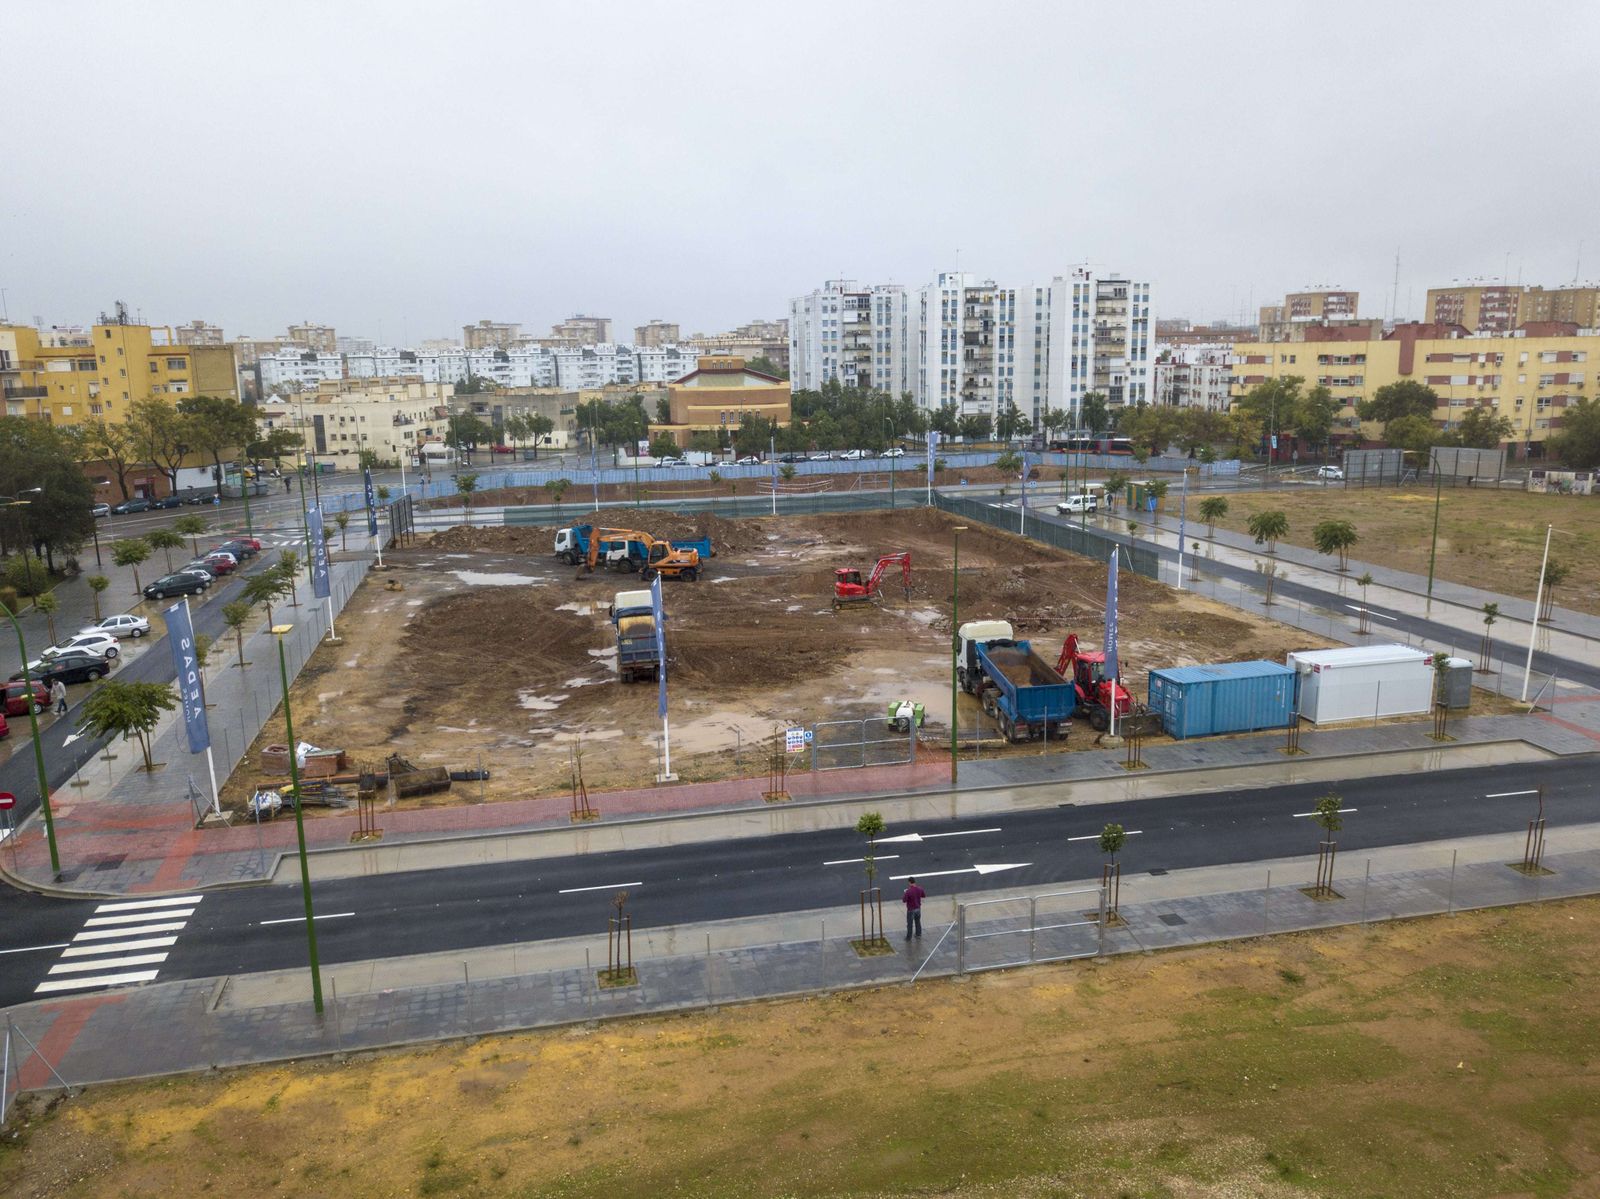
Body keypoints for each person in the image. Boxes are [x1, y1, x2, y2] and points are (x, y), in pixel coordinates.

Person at [902, 876, 925, 941]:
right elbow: (923, 895)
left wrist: (905, 893)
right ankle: (918, 934)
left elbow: (904, 900)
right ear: (914, 882)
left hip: (911, 909)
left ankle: (909, 937)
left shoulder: (908, 891)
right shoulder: (920, 889)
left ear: (909, 882)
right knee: (917, 921)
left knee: (910, 924)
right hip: (918, 908)